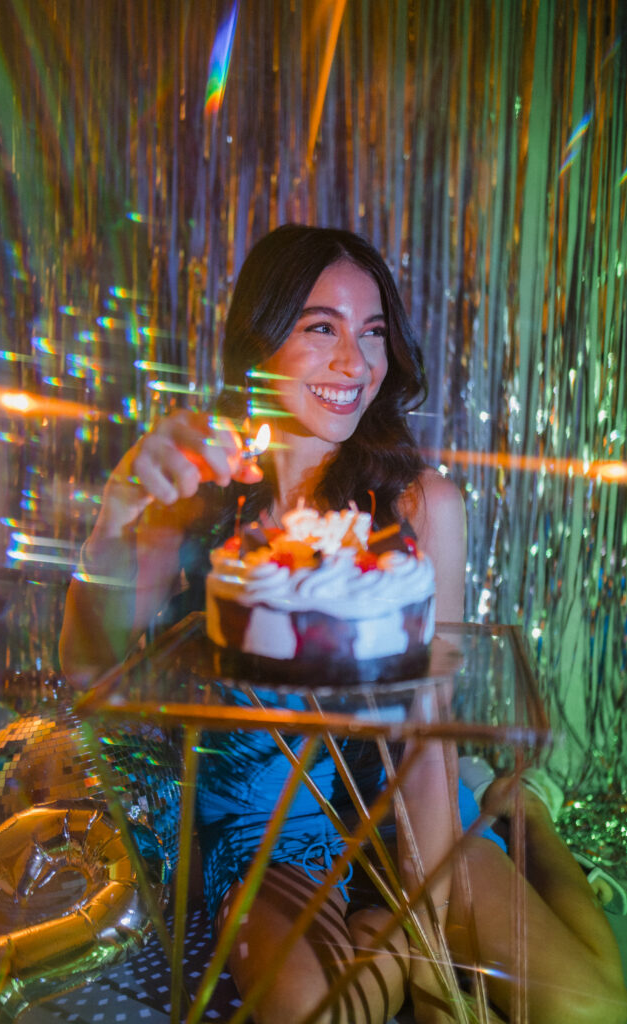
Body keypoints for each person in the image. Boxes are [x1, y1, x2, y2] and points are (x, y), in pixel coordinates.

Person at [60, 225, 627, 1024]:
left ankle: (521, 820)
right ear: (258, 338)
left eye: (373, 333)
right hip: (266, 829)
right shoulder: (192, 488)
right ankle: (397, 928)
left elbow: (426, 735)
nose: (356, 364)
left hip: (408, 801)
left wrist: (430, 919)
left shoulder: (421, 504)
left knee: (593, 1010)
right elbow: (88, 669)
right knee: (309, 1014)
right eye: (320, 326)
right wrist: (116, 514)